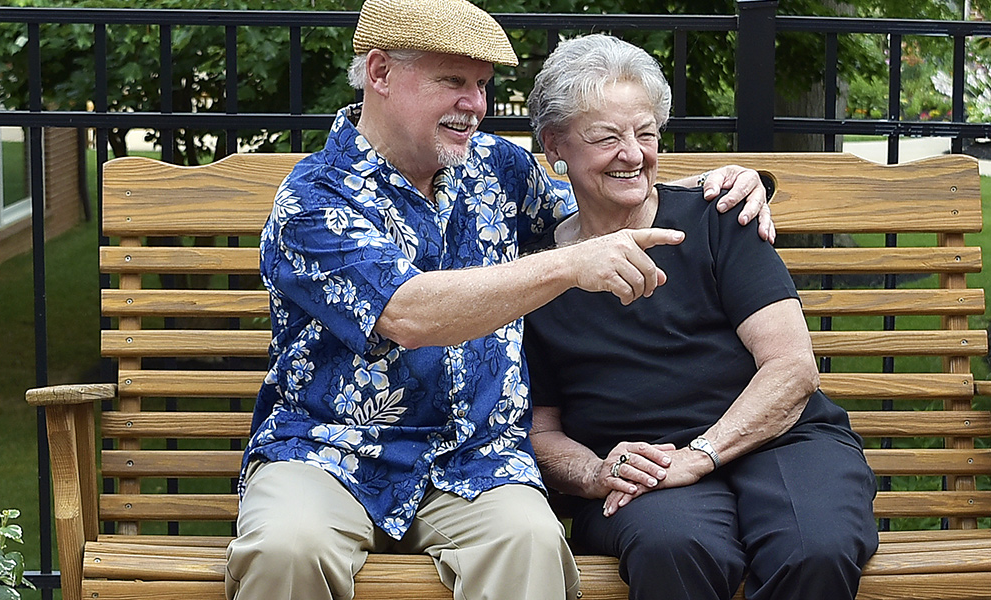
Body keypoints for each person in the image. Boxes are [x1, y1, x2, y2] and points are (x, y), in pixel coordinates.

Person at [225, 1, 778, 599]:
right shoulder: (311, 200)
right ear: (380, 73)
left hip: (476, 459)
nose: (475, 105)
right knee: (286, 548)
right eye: (452, 81)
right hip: (327, 452)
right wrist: (567, 266)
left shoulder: (497, 168)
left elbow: (595, 214)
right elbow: (408, 312)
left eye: (482, 85)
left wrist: (720, 189)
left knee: (530, 543)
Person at [522, 34, 879, 600]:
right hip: (645, 465)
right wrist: (595, 474)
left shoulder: (719, 219)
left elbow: (791, 367)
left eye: (645, 134)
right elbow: (541, 431)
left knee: (815, 546)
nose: (633, 154)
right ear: (554, 147)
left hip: (781, 440)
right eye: (607, 137)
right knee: (676, 548)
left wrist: (703, 453)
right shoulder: (537, 275)